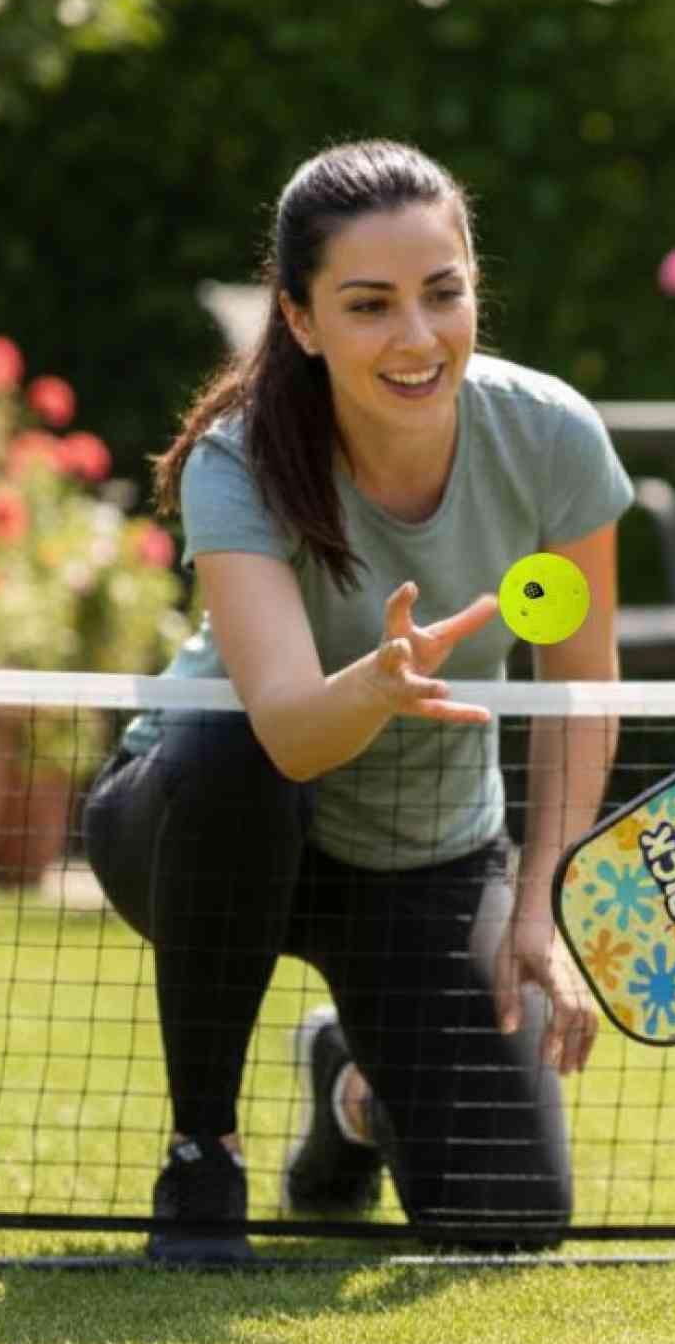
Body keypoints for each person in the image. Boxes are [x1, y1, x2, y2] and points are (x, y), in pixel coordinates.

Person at [83, 139, 630, 1261]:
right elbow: (283, 723)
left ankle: (354, 1089)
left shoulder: (553, 435)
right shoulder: (237, 460)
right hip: (204, 826)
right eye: (369, 304)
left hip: (421, 854)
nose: (416, 337)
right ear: (299, 316)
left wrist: (538, 909)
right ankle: (203, 1151)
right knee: (228, 749)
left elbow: (580, 691)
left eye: (443, 293)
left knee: (508, 1217)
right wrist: (378, 686)